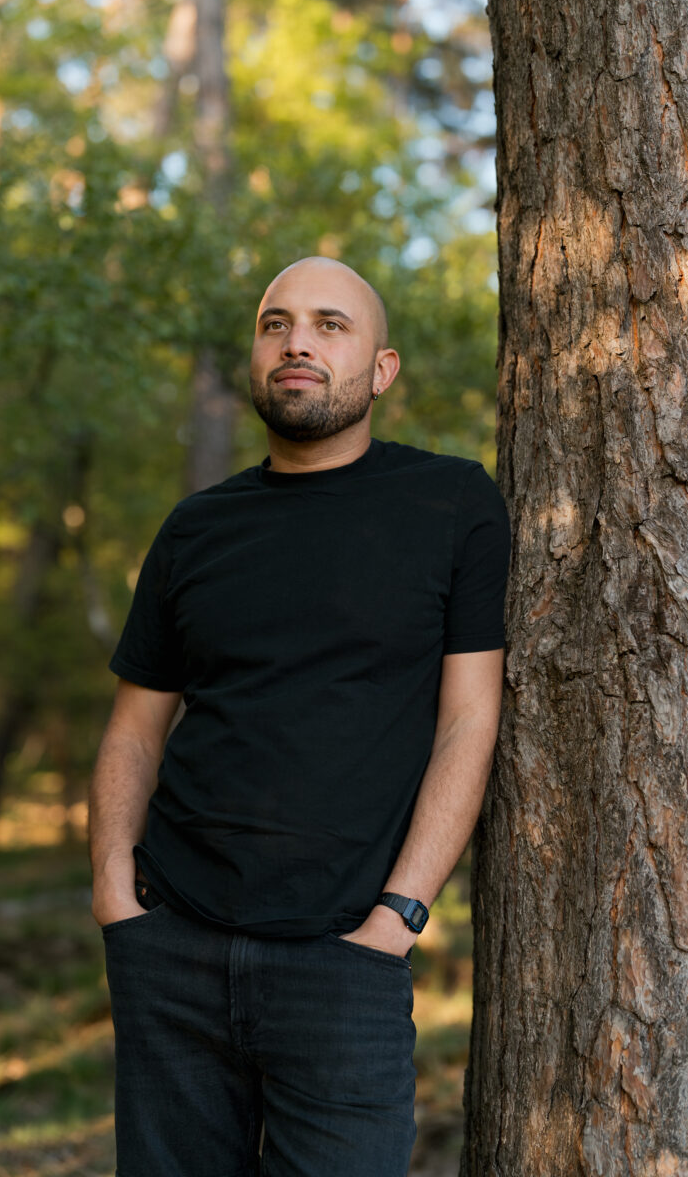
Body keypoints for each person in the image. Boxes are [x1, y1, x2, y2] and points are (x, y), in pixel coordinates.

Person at [89, 256, 510, 1177]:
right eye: (276, 323)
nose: (298, 344)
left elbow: (468, 720)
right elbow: (134, 727)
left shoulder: (450, 505)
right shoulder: (197, 527)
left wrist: (399, 914)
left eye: (330, 325)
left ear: (382, 368)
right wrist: (116, 895)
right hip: (172, 947)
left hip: (345, 963)